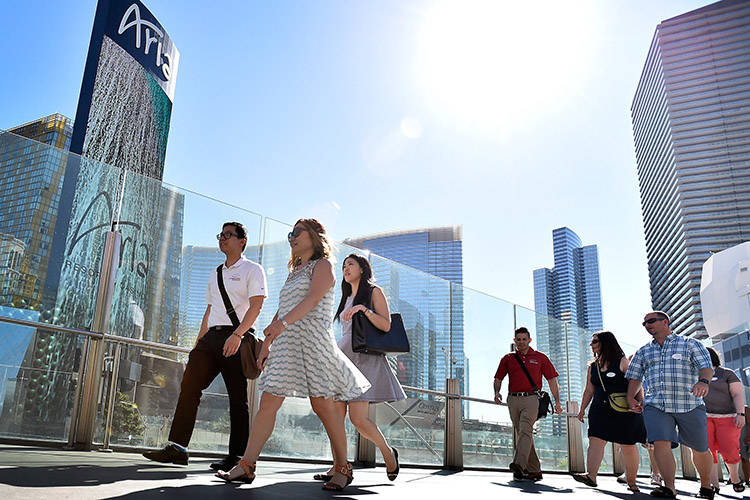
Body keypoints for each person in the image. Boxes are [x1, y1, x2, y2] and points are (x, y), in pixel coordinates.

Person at [215, 218, 370, 491]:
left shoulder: (323, 266)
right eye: (290, 234)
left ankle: (343, 466)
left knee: (322, 406)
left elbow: (311, 300)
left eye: (297, 233)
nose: (292, 238)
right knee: (268, 403)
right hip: (287, 344)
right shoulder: (294, 270)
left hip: (313, 343)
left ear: (314, 236)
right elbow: (283, 307)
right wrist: (267, 343)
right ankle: (247, 465)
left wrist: (282, 324)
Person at [143, 222, 267, 471]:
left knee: (237, 398)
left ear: (242, 241)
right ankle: (178, 448)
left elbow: (256, 306)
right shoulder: (216, 273)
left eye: (228, 235)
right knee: (189, 385)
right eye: (220, 235)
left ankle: (237, 458)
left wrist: (238, 335)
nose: (222, 239)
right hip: (211, 338)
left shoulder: (253, 270)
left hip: (237, 338)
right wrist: (198, 343)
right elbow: (210, 311)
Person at [313, 254, 405, 482]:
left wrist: (364, 309)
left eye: (350, 264)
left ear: (363, 268)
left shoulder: (374, 292)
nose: (346, 268)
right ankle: (339, 466)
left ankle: (388, 453)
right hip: (343, 356)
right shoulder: (344, 296)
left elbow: (386, 324)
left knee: (358, 419)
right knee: (335, 415)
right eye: (343, 266)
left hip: (364, 359)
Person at [625, 311, 714, 499]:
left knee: (699, 448)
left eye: (651, 321)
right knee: (660, 444)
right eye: (644, 323)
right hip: (656, 405)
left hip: (689, 403)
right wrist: (631, 398)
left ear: (665, 322)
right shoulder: (643, 351)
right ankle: (669, 487)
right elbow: (634, 377)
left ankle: (706, 486)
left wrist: (703, 382)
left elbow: (706, 367)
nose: (647, 325)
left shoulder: (690, 344)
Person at [573, 331, 647, 492]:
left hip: (624, 409)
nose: (591, 344)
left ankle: (632, 481)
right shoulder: (592, 367)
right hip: (599, 409)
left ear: (605, 342)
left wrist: (639, 402)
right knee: (595, 440)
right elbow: (588, 390)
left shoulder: (622, 361)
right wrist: (582, 409)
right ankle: (591, 476)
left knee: (627, 444)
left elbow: (636, 382)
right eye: (591, 342)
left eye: (595, 341)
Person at [494, 327, 563, 482]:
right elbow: (498, 378)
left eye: (524, 339)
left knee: (525, 429)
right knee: (524, 433)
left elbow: (552, 380)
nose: (521, 342)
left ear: (529, 340)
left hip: (532, 399)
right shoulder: (508, 358)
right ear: (515, 341)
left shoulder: (540, 358)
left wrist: (557, 401)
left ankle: (519, 464)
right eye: (518, 339)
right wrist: (497, 392)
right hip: (513, 400)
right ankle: (535, 470)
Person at [703, 347, 746, 493]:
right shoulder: (695, 374)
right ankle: (713, 484)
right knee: (708, 451)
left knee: (729, 450)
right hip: (704, 417)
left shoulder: (727, 373)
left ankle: (735, 478)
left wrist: (741, 414)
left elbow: (738, 394)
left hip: (727, 418)